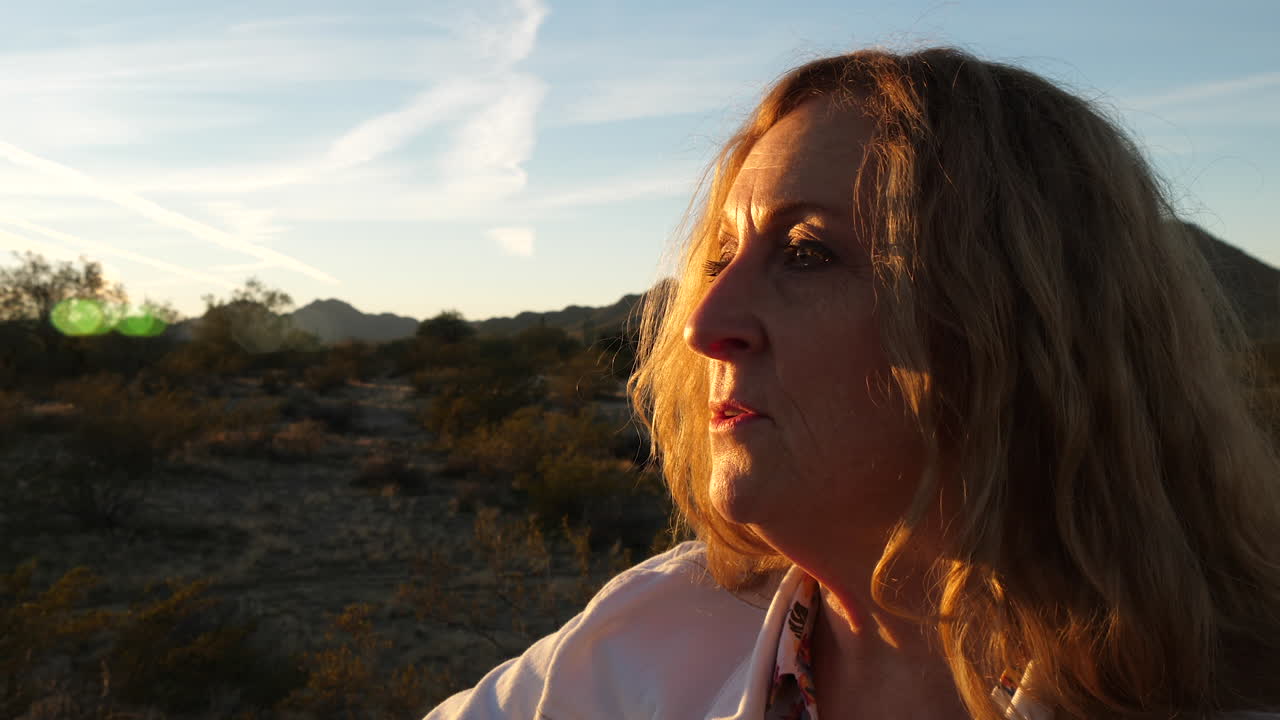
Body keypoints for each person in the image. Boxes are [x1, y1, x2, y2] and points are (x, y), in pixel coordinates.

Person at [424, 47, 1280, 719]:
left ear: (1016, 332)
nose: (703, 324)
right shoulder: (651, 634)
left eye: (806, 253)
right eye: (720, 257)